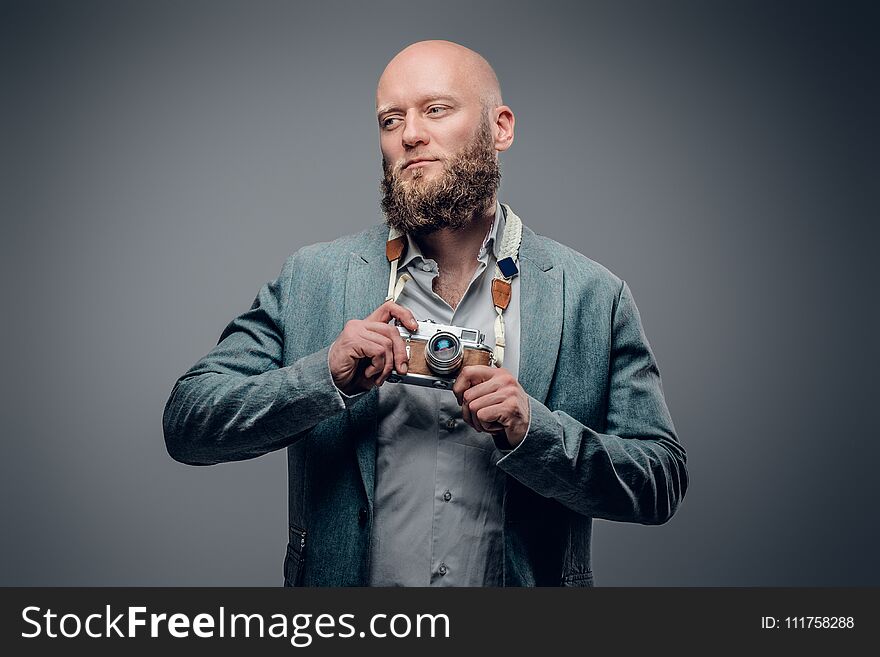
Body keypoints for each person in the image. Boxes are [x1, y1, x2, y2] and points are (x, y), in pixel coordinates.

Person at [163, 40, 688, 587]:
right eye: (391, 120)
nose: (409, 134)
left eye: (436, 109)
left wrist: (533, 431)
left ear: (500, 127)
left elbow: (660, 482)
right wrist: (324, 378)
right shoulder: (311, 278)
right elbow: (187, 423)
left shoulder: (592, 297)